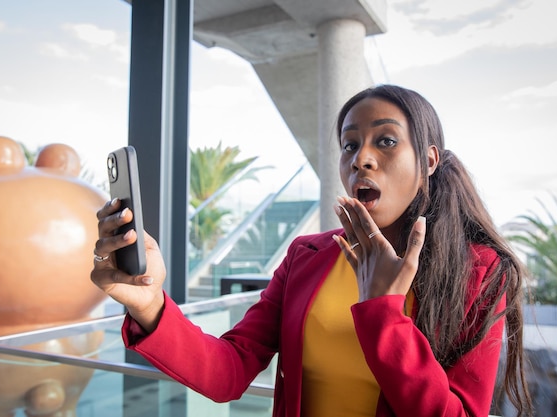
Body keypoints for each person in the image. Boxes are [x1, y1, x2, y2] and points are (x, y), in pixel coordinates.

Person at [91, 84, 533, 416]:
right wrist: (151, 307)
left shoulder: (480, 272)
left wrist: (383, 311)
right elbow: (228, 370)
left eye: (385, 140)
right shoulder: (307, 256)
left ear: (430, 161)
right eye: (348, 144)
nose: (361, 158)